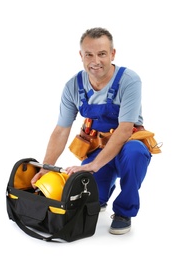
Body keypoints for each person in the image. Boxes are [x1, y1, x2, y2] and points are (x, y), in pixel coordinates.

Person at [31, 27, 152, 235]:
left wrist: (94, 166)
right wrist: (47, 167)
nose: (95, 61)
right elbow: (61, 129)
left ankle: (124, 210)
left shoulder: (129, 81)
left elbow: (124, 131)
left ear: (112, 54)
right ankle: (103, 194)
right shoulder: (73, 86)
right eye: (89, 54)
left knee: (135, 153)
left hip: (127, 145)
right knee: (89, 196)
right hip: (98, 149)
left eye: (102, 54)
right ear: (81, 56)